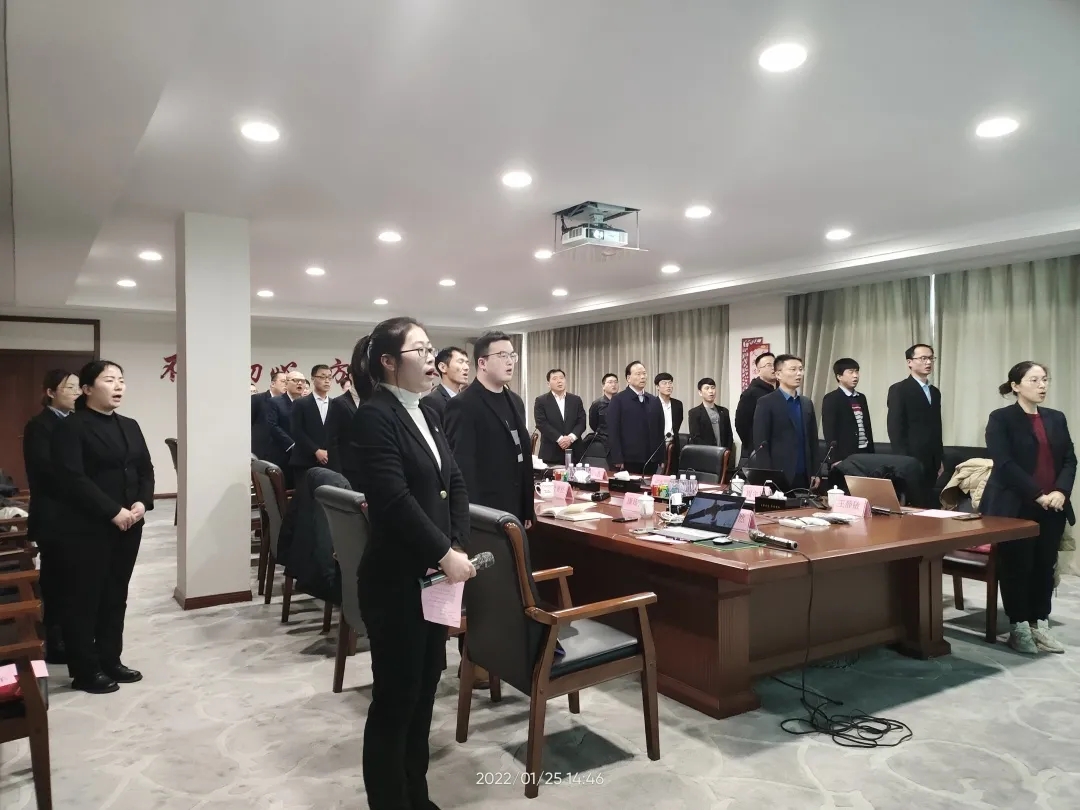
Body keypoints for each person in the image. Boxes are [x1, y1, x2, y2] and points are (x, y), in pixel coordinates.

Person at [349, 317, 475, 810]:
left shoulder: (428, 411)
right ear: (388, 361)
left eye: (430, 349)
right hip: (396, 582)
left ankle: (416, 796)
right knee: (396, 700)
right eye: (419, 351)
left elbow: (454, 482)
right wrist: (443, 553)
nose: (431, 359)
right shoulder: (374, 416)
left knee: (424, 694)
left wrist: (456, 545)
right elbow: (393, 498)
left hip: (433, 580)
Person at [50, 360, 154, 694]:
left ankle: (111, 659)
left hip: (129, 525)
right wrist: (112, 511)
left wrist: (142, 503)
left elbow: (145, 469)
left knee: (115, 594)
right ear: (87, 389)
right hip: (88, 527)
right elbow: (72, 478)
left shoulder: (130, 425)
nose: (118, 386)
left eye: (121, 380)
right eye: (109, 380)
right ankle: (85, 670)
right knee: (85, 597)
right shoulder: (71, 427)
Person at [982, 362, 1075, 655]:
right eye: (1034, 380)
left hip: (1053, 506)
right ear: (1015, 386)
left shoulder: (1056, 418)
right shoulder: (1001, 418)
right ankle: (1019, 626)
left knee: (1044, 567)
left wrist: (1060, 491)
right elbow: (1004, 463)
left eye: (1045, 379)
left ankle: (1039, 623)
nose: (1042, 385)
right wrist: (1038, 494)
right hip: (1016, 506)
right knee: (1017, 566)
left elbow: (1069, 459)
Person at [445, 331, 534, 525]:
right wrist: (474, 518)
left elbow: (523, 455)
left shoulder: (515, 401)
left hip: (516, 506)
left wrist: (528, 507)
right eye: (502, 355)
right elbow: (463, 468)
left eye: (512, 355)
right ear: (482, 363)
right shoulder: (463, 404)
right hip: (487, 511)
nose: (510, 361)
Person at [22, 369, 80, 662]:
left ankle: (73, 634)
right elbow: (46, 472)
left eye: (78, 387)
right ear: (50, 393)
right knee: (56, 579)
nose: (76, 393)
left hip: (77, 516)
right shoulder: (39, 426)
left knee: (75, 579)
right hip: (53, 516)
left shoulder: (76, 423)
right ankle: (55, 641)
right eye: (69, 388)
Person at [752, 354, 819, 490]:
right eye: (793, 369)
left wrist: (816, 472)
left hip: (805, 475)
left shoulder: (806, 403)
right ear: (778, 374)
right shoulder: (766, 402)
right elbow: (761, 443)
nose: (799, 373)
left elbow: (813, 441)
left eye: (801, 369)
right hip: (779, 474)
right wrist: (767, 476)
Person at [887, 343, 943, 493]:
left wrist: (939, 458)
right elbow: (895, 427)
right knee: (911, 500)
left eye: (931, 358)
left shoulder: (934, 392)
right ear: (909, 362)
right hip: (910, 458)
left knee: (928, 500)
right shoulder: (899, 389)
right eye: (923, 358)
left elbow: (937, 426)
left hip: (932, 460)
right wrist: (902, 461)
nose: (928, 362)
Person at [606, 361, 665, 474]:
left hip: (651, 459)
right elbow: (613, 431)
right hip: (628, 459)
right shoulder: (618, 400)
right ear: (628, 378)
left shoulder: (654, 400)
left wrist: (661, 457)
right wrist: (617, 457)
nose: (642, 377)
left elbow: (660, 430)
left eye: (644, 373)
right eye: (638, 374)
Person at [821, 357, 875, 464]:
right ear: (839, 376)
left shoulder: (861, 397)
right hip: (844, 455)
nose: (855, 375)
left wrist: (872, 453)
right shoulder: (832, 398)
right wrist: (834, 459)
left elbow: (867, 428)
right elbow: (829, 431)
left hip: (865, 452)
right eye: (851, 372)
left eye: (857, 371)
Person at [533, 368, 587, 464]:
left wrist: (570, 438)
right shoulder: (541, 401)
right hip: (551, 451)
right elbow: (541, 423)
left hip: (575, 450)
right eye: (555, 379)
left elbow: (581, 422)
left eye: (561, 378)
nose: (559, 381)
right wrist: (560, 439)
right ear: (548, 384)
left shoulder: (576, 400)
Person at [264, 369, 306, 487]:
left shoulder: (307, 403)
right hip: (282, 453)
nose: (299, 383)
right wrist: (291, 444)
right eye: (295, 380)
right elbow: (272, 426)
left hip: (304, 455)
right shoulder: (275, 402)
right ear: (286, 383)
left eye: (302, 381)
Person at [290, 364, 332, 477]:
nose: (327, 381)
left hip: (329, 461)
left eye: (329, 377)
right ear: (313, 379)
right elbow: (296, 431)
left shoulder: (335, 404)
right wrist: (316, 450)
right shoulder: (300, 403)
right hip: (304, 461)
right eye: (322, 377)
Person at [735, 352, 777, 462]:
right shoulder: (751, 393)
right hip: (760, 451)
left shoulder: (781, 391)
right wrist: (753, 446)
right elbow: (741, 424)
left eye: (775, 364)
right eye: (769, 365)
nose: (773, 368)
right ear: (758, 370)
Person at [326, 364, 362, 487]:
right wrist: (337, 472)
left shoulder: (373, 400)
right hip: (348, 467)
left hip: (371, 466)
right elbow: (332, 439)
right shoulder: (339, 402)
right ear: (351, 376)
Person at [687, 377, 734, 453]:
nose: (711, 391)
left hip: (723, 453)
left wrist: (727, 452)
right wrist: (709, 453)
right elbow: (695, 437)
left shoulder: (724, 411)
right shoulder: (694, 413)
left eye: (713, 388)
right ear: (700, 392)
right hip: (705, 454)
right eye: (707, 388)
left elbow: (729, 434)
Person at [423, 345, 470, 420]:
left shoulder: (468, 399)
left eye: (467, 363)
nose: (467, 367)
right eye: (460, 362)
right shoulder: (431, 401)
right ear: (443, 367)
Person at [252, 370, 288, 459]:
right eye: (283, 381)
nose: (286, 384)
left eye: (287, 382)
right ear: (273, 384)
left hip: (281, 452)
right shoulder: (257, 399)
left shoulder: (288, 402)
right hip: (260, 451)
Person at [654, 372, 684, 473]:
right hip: (657, 445)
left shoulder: (678, 404)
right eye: (664, 383)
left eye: (670, 383)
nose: (668, 386)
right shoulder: (652, 404)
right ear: (657, 387)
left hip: (673, 444)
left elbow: (678, 422)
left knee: (673, 474)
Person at [586, 372, 619, 458]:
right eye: (610, 382)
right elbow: (593, 423)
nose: (614, 384)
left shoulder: (622, 402)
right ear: (603, 386)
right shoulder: (597, 404)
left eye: (616, 382)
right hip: (604, 437)